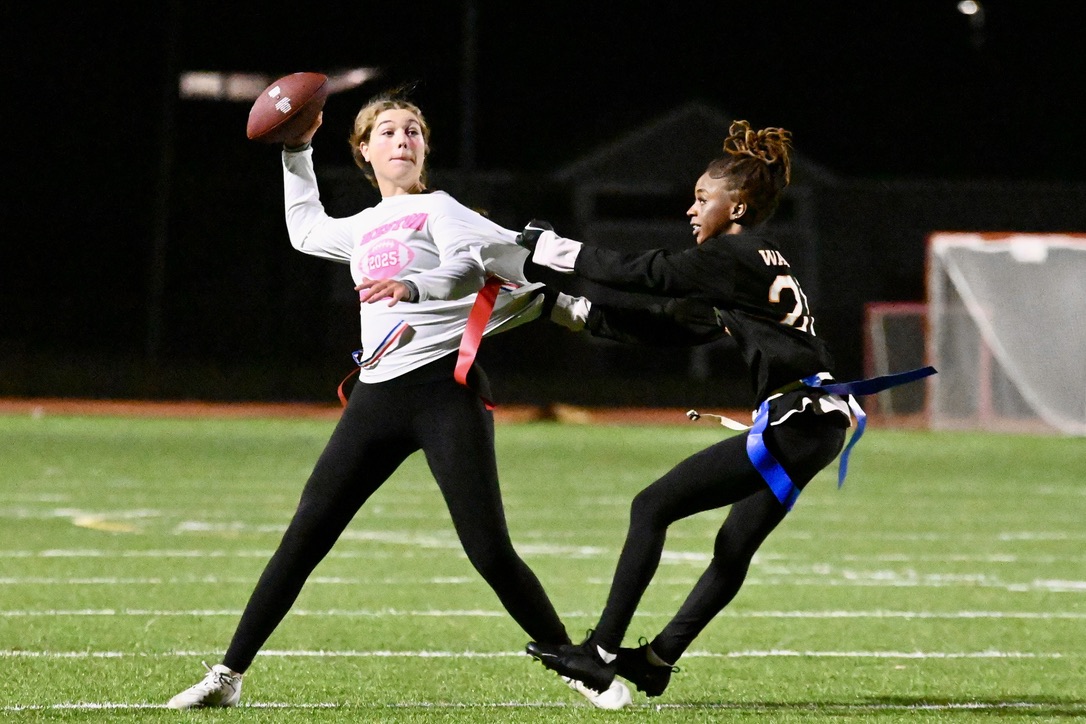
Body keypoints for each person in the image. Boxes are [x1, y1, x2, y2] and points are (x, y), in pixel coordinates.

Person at [167, 90, 631, 710]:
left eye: (413, 130)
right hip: (376, 400)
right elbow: (306, 230)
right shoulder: (360, 228)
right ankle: (227, 675)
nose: (403, 139)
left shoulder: (439, 207)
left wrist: (428, 286)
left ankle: (574, 663)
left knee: (488, 548)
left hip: (444, 391)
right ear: (363, 151)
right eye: (386, 131)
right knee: (304, 537)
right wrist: (296, 150)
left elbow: (473, 268)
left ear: (424, 149)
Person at [520, 121, 855, 698]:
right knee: (734, 545)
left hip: (800, 419)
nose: (691, 210)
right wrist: (567, 311)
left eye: (703, 198)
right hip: (819, 418)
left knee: (651, 506)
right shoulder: (753, 260)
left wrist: (549, 249)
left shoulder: (733, 254)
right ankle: (656, 659)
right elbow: (674, 327)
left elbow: (648, 274)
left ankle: (600, 651)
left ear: (739, 205)